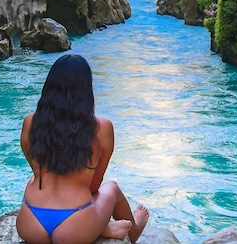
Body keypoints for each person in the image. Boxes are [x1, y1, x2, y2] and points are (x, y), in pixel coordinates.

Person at [17, 54, 149, 244]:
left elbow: (38, 173)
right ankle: (129, 229)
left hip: (30, 224)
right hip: (74, 227)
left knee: (37, 177)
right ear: (86, 91)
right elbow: (94, 187)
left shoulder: (30, 122)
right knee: (111, 188)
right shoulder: (102, 128)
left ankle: (102, 227)